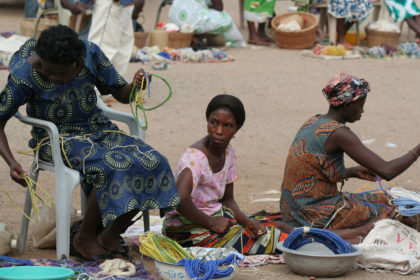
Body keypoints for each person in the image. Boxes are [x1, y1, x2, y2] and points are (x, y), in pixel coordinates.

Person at [0, 25, 179, 261]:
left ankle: (110, 234)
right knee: (113, 165)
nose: (55, 78)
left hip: (98, 129)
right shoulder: (25, 73)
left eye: (62, 74)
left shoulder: (90, 54)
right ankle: (84, 236)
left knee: (152, 161)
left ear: (78, 62)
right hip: (56, 139)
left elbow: (121, 93)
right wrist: (12, 162)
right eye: (49, 72)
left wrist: (136, 85)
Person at [280, 73, 420, 235]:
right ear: (347, 105)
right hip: (318, 216)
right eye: (361, 105)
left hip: (294, 212)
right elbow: (388, 170)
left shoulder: (314, 122)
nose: (362, 110)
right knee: (402, 210)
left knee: (390, 198)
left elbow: (312, 170)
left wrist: (351, 172)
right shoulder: (339, 133)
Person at [163, 94, 293, 255]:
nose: (218, 131)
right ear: (207, 122)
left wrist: (247, 222)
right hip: (186, 229)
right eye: (213, 123)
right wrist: (211, 222)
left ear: (237, 128)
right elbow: (179, 200)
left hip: (213, 218)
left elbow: (227, 199)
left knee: (275, 224)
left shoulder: (228, 152)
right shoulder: (195, 158)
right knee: (279, 239)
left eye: (227, 125)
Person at [168, 0, 247, 48]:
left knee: (202, 12)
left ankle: (186, 36)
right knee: (226, 19)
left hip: (175, 20)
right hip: (192, 23)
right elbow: (219, 8)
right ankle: (197, 37)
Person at [88, 0, 134, 76]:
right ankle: (93, 85)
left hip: (125, 3)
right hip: (110, 3)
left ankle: (116, 85)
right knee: (104, 48)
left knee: (122, 51)